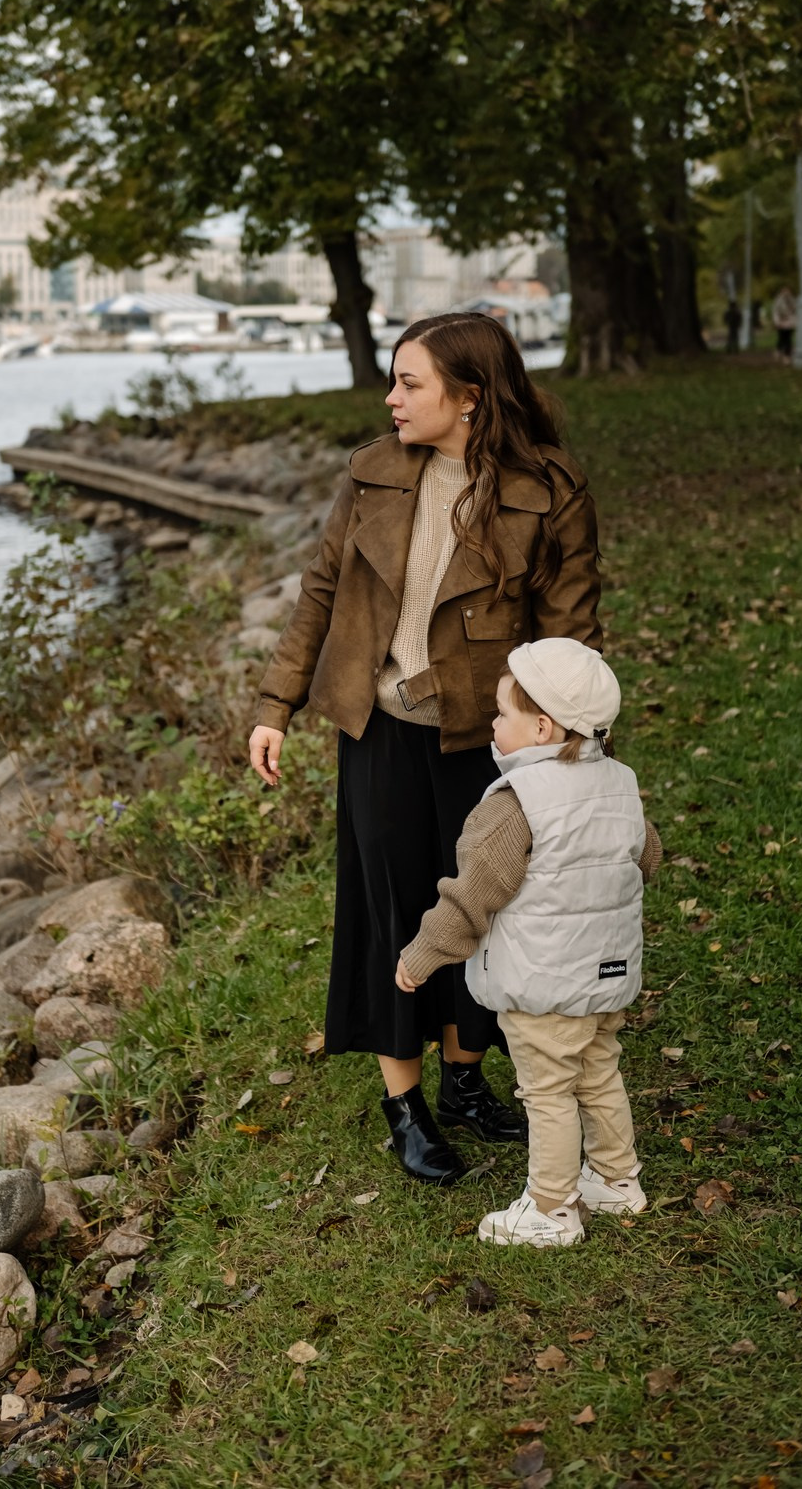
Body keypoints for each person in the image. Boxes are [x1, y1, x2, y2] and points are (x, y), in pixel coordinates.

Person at [249, 313, 602, 1185]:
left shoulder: (549, 490)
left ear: (469, 399)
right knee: (392, 912)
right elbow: (322, 592)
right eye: (395, 381)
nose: (390, 397)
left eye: (410, 383)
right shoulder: (372, 471)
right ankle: (403, 1105)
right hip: (376, 731)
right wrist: (275, 705)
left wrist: (576, 750)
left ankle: (466, 1082)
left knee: (484, 908)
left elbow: (572, 637)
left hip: (490, 740)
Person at [395, 639, 661, 1245]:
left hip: (545, 983)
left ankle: (551, 1208)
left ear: (542, 726)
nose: (492, 724)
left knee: (547, 1092)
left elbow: (471, 896)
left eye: (501, 714)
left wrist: (422, 955)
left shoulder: (516, 805)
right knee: (598, 1074)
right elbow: (648, 856)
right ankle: (619, 1182)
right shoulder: (619, 783)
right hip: (608, 973)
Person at [771, 287, 797, 362]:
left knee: (788, 339)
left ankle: (787, 356)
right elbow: (775, 312)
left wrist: (794, 322)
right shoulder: (778, 301)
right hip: (781, 322)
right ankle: (779, 350)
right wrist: (777, 322)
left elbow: (794, 312)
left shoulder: (792, 300)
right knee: (782, 338)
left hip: (790, 322)